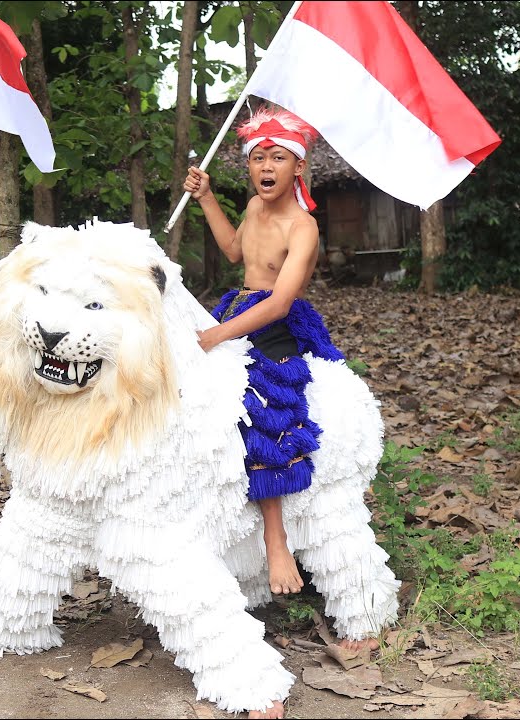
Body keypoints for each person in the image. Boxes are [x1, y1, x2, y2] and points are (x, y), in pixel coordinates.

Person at [184, 108, 375, 655]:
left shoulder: (304, 226)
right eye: (259, 158)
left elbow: (281, 301)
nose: (266, 167)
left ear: (298, 166)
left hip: (269, 322)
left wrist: (220, 337)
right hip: (237, 307)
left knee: (266, 408)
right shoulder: (251, 205)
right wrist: (206, 200)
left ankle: (276, 540)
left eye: (278, 158)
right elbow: (233, 253)